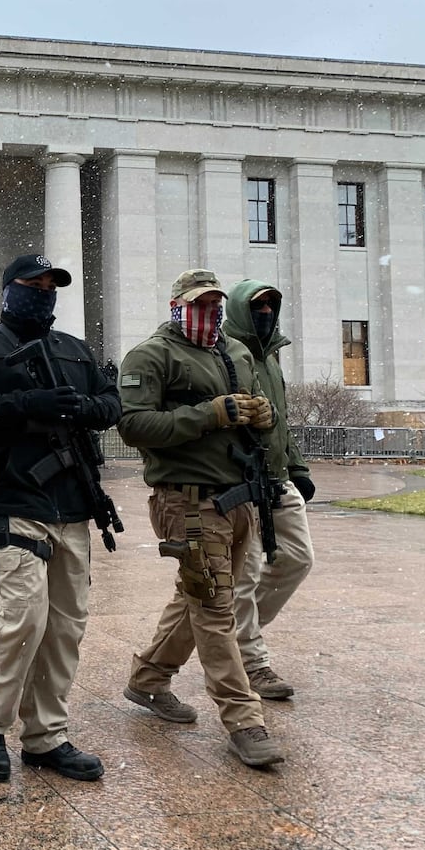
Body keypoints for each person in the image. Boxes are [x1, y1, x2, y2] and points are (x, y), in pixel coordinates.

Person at [0, 253, 119, 783]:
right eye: (33, 283)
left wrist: (79, 409)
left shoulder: (75, 350)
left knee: (65, 626)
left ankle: (45, 736)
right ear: (9, 289)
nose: (43, 291)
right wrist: (27, 403)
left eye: (51, 285)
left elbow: (111, 403)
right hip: (14, 499)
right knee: (25, 616)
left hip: (73, 505)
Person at [117, 269, 284, 769]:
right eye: (198, 304)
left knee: (198, 597)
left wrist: (264, 415)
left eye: (215, 304)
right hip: (187, 504)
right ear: (176, 304)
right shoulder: (152, 355)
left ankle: (147, 680)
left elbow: (261, 411)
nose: (208, 313)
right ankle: (244, 721)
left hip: (239, 500)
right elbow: (132, 425)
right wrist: (209, 414)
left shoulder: (232, 352)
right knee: (214, 610)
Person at [222, 279, 316, 700]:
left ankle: (239, 632)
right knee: (243, 576)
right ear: (242, 310)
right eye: (257, 307)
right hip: (240, 480)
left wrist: (297, 467)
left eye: (270, 308)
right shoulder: (223, 351)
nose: (265, 314)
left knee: (297, 559)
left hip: (277, 479)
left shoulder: (272, 357)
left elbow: (280, 420)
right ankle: (251, 660)